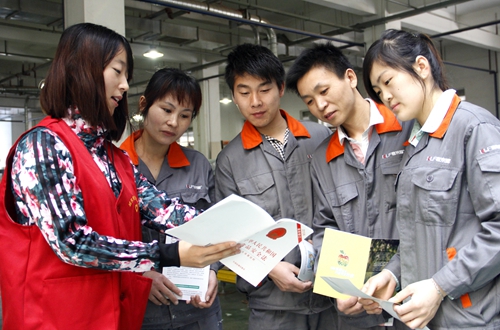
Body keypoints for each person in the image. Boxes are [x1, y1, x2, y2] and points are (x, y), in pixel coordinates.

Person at [0, 23, 239, 330]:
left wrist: (238, 230)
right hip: (55, 316)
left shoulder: (115, 158)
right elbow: (73, 242)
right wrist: (169, 253)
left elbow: (166, 210)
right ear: (81, 69)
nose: (125, 85)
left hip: (113, 314)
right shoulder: (43, 146)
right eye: (118, 71)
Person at [358, 29, 500, 330]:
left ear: (421, 67)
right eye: (377, 90)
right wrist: (392, 275)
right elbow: (417, 236)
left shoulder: (474, 128)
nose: (385, 96)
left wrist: (440, 286)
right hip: (419, 319)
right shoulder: (410, 143)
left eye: (388, 82)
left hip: (469, 319)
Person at [285, 43, 412, 330]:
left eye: (324, 91)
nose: (319, 105)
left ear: (351, 78)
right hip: (359, 312)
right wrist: (338, 286)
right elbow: (325, 230)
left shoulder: (406, 129)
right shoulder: (322, 158)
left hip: (412, 302)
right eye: (309, 100)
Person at [215, 43, 336, 330]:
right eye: (244, 92)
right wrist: (269, 268)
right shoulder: (229, 161)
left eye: (264, 89)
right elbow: (228, 236)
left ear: (281, 88)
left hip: (330, 295)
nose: (255, 101)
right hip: (272, 307)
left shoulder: (320, 137)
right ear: (234, 96)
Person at [120, 68, 222, 330]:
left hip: (197, 310)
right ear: (144, 104)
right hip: (141, 312)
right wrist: (138, 275)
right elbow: (103, 240)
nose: (174, 122)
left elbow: (216, 228)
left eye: (184, 115)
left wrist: (213, 271)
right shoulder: (115, 166)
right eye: (166, 110)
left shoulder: (197, 164)